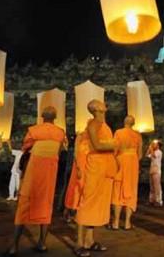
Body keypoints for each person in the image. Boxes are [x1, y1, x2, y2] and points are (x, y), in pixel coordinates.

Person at [5, 106, 67, 255]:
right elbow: (59, 150)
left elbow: (26, 146)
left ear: (42, 116)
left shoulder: (34, 130)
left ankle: (14, 246)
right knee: (46, 202)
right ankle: (42, 243)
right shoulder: (60, 132)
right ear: (55, 116)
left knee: (24, 202)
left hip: (35, 168)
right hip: (50, 171)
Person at [75, 100, 117, 257]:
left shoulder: (104, 125)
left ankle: (89, 240)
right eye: (101, 103)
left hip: (103, 168)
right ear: (96, 108)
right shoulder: (94, 123)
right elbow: (97, 146)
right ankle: (79, 243)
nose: (104, 103)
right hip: (94, 168)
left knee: (96, 205)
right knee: (87, 204)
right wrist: (117, 144)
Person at [110, 115, 142, 230]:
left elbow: (114, 150)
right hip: (133, 163)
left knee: (118, 191)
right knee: (131, 191)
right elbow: (140, 154)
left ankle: (116, 223)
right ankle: (127, 223)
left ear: (124, 122)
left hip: (121, 161)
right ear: (133, 124)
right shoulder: (138, 135)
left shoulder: (118, 132)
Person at [64, 129, 90, 222]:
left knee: (85, 189)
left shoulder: (94, 137)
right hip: (79, 166)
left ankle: (81, 212)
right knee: (75, 188)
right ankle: (71, 211)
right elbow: (75, 153)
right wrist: (78, 167)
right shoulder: (81, 136)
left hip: (89, 167)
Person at [147, 140, 163, 207]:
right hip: (152, 170)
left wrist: (151, 149)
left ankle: (158, 201)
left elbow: (154, 155)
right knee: (152, 186)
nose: (154, 145)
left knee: (157, 186)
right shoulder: (154, 151)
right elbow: (147, 155)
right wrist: (149, 148)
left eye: (155, 144)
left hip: (157, 171)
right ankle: (151, 200)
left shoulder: (159, 152)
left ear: (158, 146)